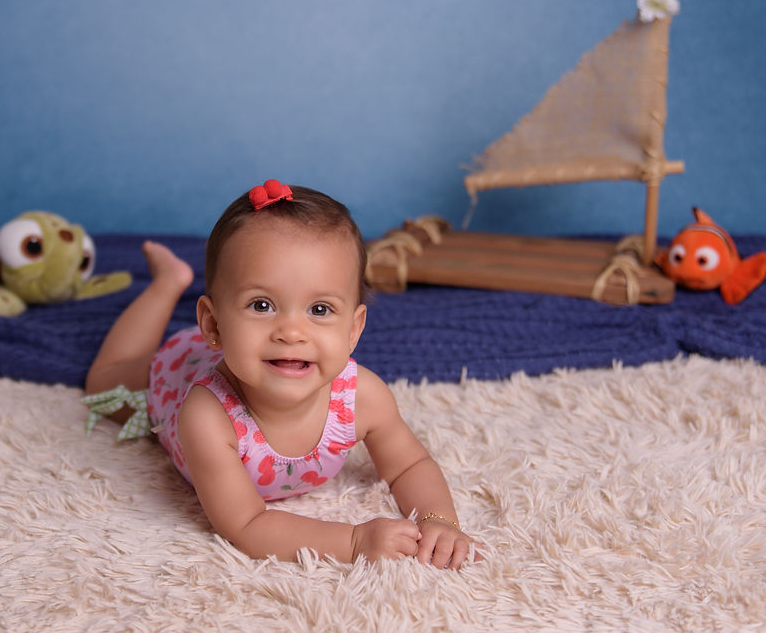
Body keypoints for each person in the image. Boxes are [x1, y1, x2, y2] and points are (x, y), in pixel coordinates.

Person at [85, 180, 477, 569]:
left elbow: (409, 465)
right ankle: (167, 284)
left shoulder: (362, 398)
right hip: (176, 371)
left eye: (319, 310)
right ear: (213, 323)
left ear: (354, 329)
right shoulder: (207, 417)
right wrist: (353, 540)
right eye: (262, 305)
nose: (291, 332)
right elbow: (247, 524)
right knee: (102, 382)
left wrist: (437, 519)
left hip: (236, 352)